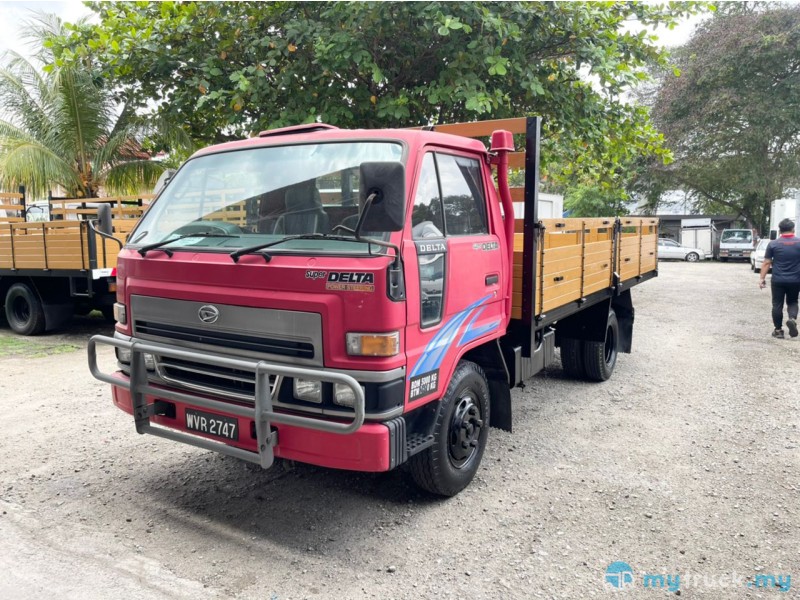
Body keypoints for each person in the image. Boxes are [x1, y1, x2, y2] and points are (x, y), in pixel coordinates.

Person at [759, 218, 800, 338]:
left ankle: (778, 330)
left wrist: (761, 278)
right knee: (792, 301)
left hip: (778, 280)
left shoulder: (773, 244)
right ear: (793, 229)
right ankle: (792, 319)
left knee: (777, 304)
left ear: (780, 230)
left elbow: (767, 263)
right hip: (796, 279)